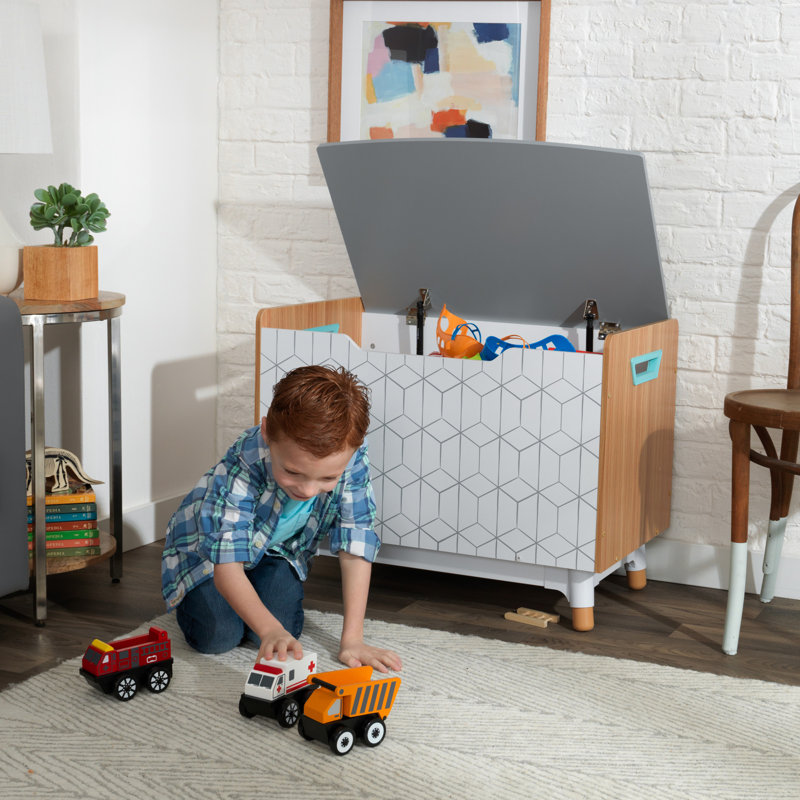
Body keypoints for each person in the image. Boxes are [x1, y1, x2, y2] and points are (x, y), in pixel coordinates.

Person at [161, 365, 402, 673]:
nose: (308, 489)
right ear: (266, 433)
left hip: (276, 552)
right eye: (292, 472)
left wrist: (353, 639)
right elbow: (226, 564)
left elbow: (356, 545)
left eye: (328, 477)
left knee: (285, 629)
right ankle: (190, 599)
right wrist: (268, 629)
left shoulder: (351, 460)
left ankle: (258, 601)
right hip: (206, 559)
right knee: (219, 636)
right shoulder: (244, 463)